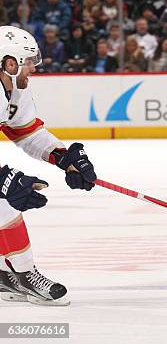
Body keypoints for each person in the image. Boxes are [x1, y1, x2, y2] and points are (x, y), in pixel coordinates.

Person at [0, 26, 97, 305]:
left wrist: (64, 158)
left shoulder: (14, 88)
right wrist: (4, 179)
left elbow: (26, 131)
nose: (33, 67)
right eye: (28, 61)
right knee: (3, 202)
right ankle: (26, 275)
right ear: (10, 63)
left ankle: (5, 275)